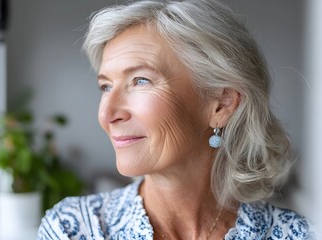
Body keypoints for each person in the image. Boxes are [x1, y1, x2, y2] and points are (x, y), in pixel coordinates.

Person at [37, 0, 315, 239]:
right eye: (106, 86)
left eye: (140, 80)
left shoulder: (296, 233)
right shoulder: (73, 229)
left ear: (221, 104)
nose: (107, 114)